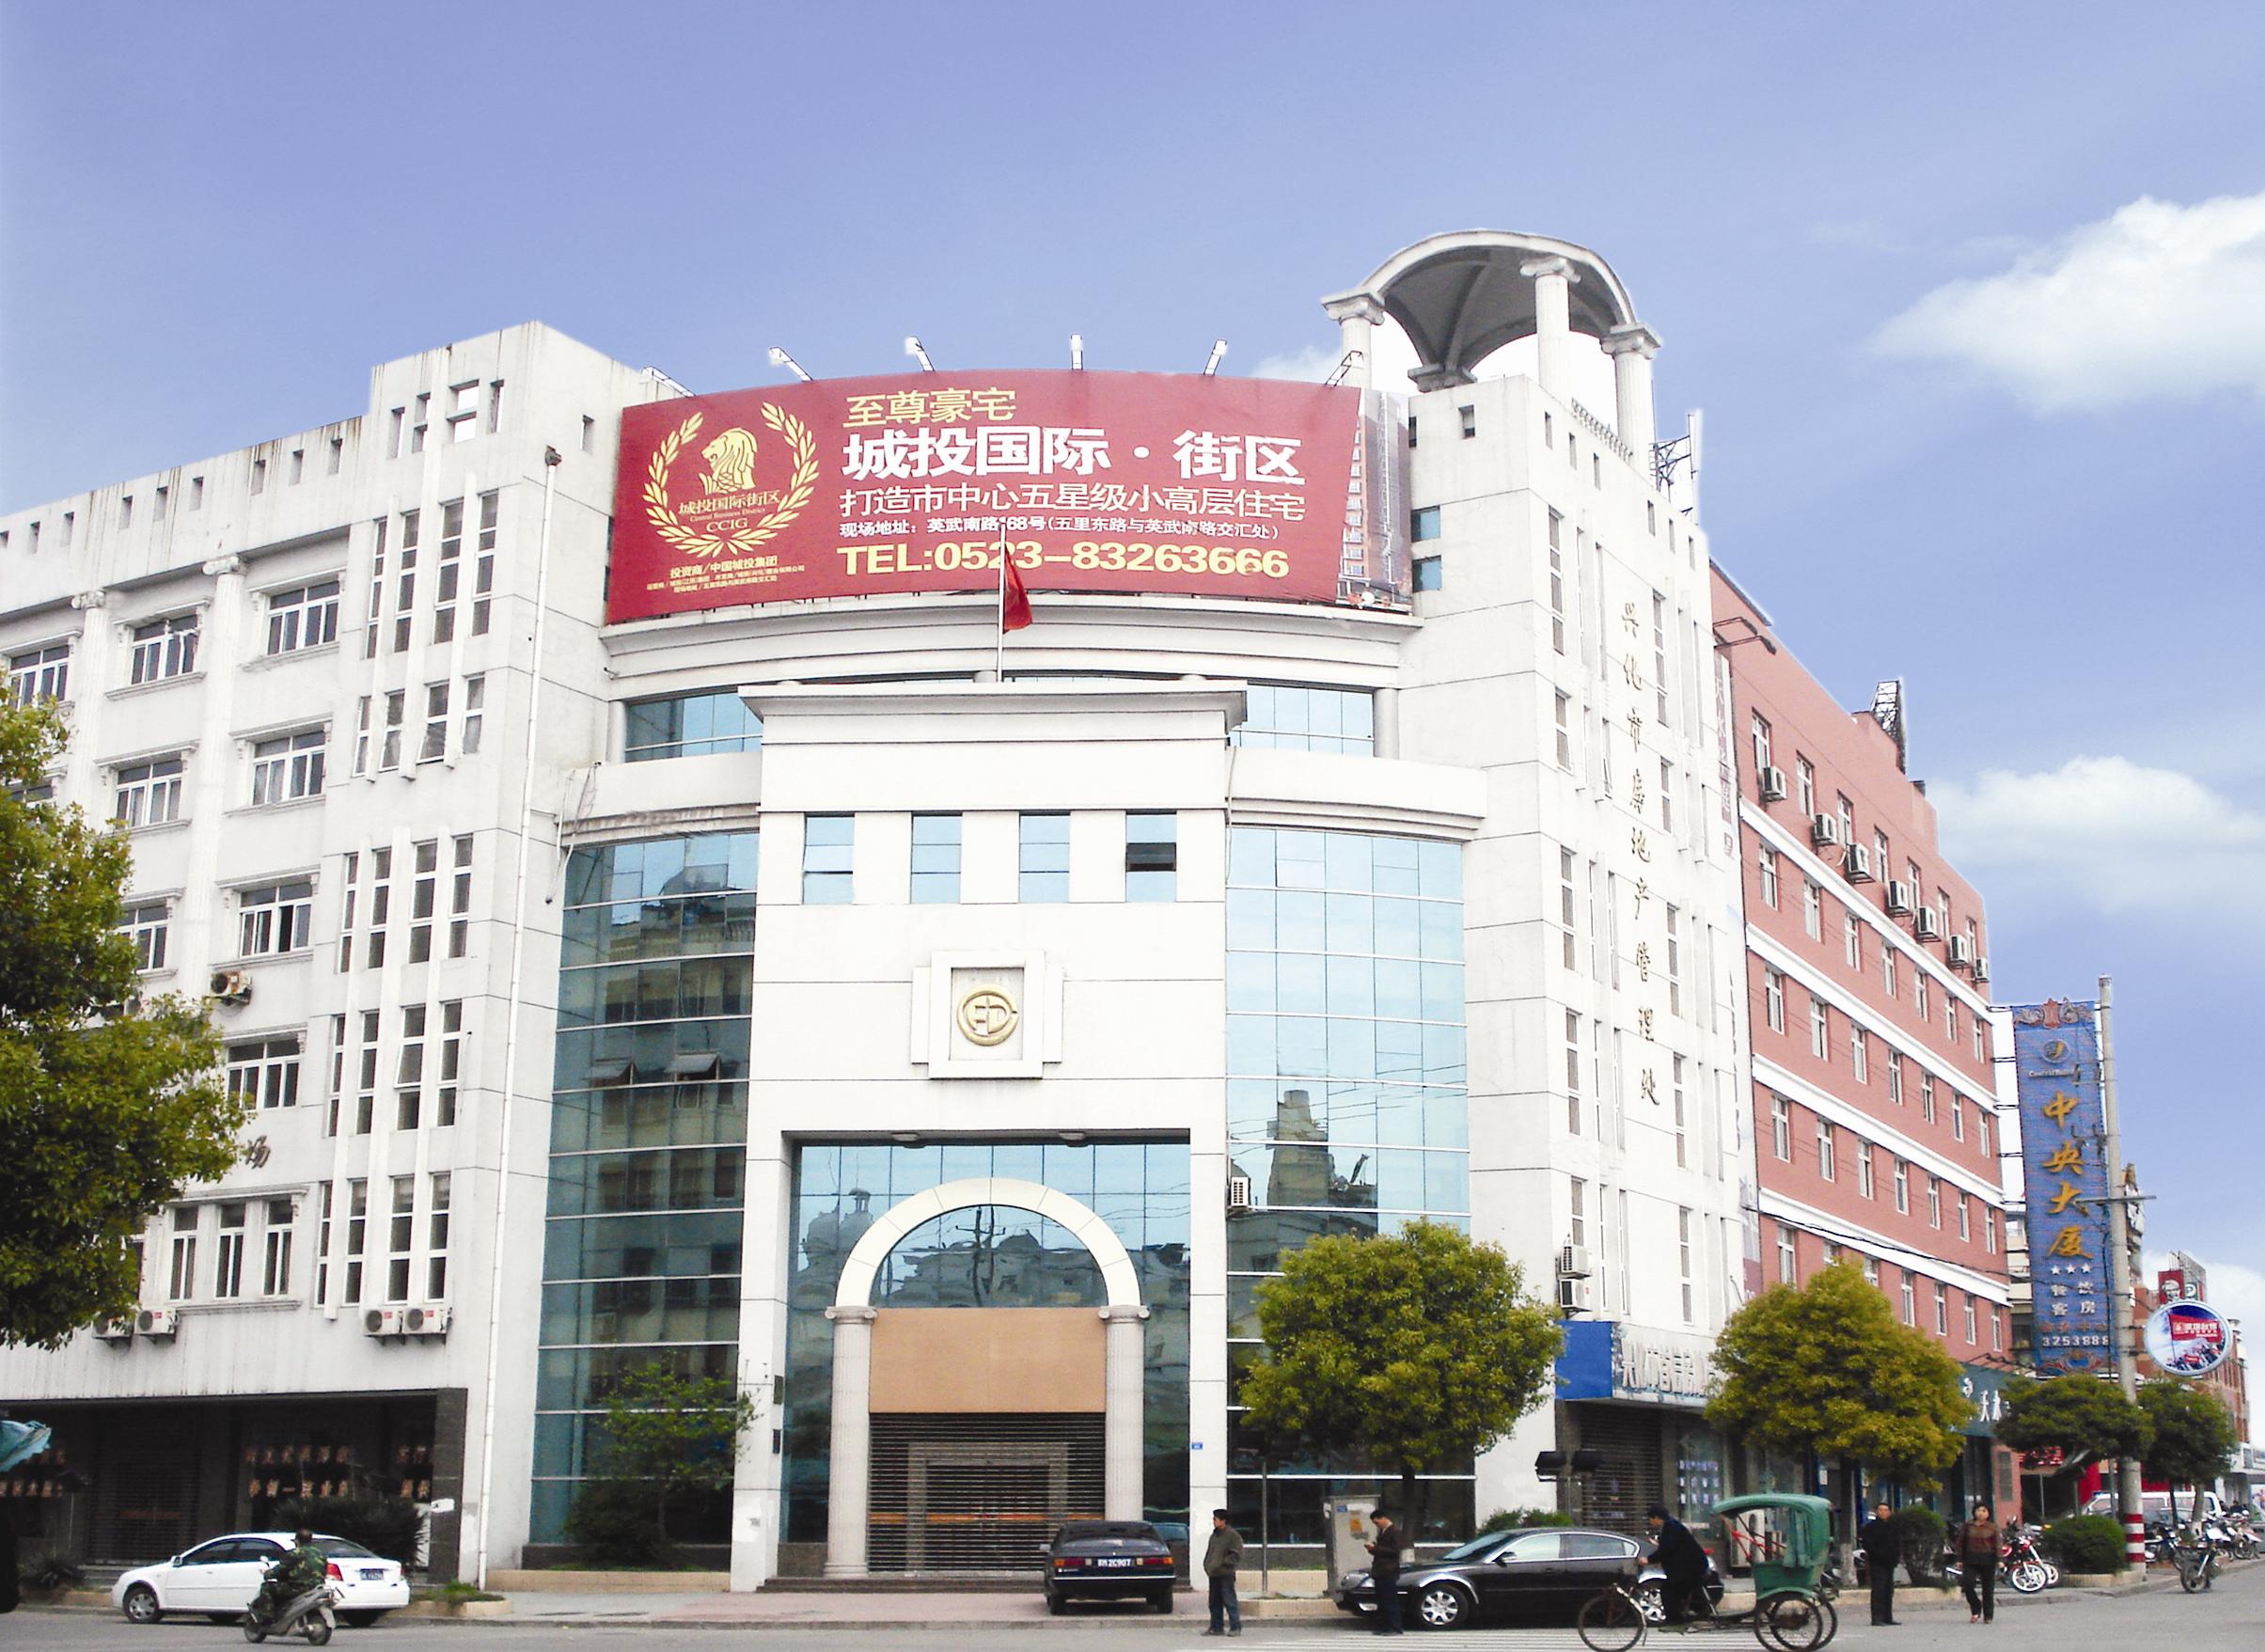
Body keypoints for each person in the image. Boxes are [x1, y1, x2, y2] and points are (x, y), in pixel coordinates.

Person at [1644, 1505, 1711, 1624]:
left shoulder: (1670, 1527)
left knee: (1667, 1591)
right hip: (1692, 1567)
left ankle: (1674, 1621)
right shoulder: (1672, 1525)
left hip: (1691, 1569)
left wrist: (1648, 1560)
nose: (1650, 1522)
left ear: (1657, 1518)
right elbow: (1672, 1546)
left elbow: (1667, 1550)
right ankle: (1698, 1612)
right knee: (1682, 1591)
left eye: (1650, 1519)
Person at [251, 1530, 327, 1627]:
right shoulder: (320, 1554)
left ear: (297, 1541)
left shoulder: (294, 1554)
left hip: (297, 1588)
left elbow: (280, 1570)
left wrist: (267, 1573)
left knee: (266, 1588)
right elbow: (324, 1571)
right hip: (316, 1588)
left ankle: (267, 1620)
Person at [1202, 1508, 1244, 1637]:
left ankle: (1235, 1627)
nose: (1213, 1521)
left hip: (1226, 1574)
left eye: (1215, 1519)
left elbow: (1237, 1554)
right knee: (1214, 1602)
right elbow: (1210, 1552)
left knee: (1229, 1601)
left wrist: (1224, 1563)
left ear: (1223, 1521)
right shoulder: (1214, 1535)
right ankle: (1216, 1627)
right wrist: (1208, 1565)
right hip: (1214, 1574)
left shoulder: (1232, 1536)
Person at [1859, 1502, 1901, 1626]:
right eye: (1881, 1510)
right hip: (1877, 1562)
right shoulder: (1871, 1527)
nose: (1883, 1512)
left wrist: (1895, 1557)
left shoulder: (1893, 1527)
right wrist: (1877, 1555)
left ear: (1890, 1512)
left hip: (1890, 1563)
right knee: (1878, 1590)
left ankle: (1888, 1617)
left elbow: (1897, 1543)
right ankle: (1877, 1618)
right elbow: (1867, 1544)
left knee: (1888, 1590)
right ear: (1876, 1512)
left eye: (1886, 1510)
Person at [1958, 1501, 2001, 1624]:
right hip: (1970, 1559)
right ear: (1974, 1512)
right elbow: (1960, 1543)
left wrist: (2000, 1559)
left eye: (1984, 1511)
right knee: (1968, 1584)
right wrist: (1959, 1559)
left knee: (1988, 1589)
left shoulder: (1992, 1527)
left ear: (1988, 1513)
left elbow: (1997, 1544)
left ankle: (1988, 1615)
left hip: (1988, 1560)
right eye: (1978, 1511)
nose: (1981, 1513)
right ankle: (1976, 1607)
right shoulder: (1968, 1526)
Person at [1365, 1509, 1406, 1635]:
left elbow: (1394, 1551)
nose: (1377, 1525)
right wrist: (1373, 1549)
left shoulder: (1395, 1532)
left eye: (1377, 1522)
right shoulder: (1383, 1532)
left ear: (1384, 1518)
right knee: (1382, 1601)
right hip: (1380, 1571)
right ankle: (1385, 1626)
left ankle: (1395, 1627)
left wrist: (1376, 1548)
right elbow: (1382, 1551)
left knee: (1390, 1600)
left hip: (1389, 1571)